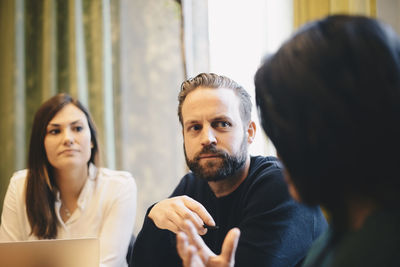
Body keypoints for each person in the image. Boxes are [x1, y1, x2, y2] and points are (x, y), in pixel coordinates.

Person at [177, 15, 400, 267]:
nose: (281, 156)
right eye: (194, 127)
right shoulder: (343, 231)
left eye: (288, 133)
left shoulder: (379, 246)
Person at [131, 73, 328, 266]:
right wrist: (154, 217)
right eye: (195, 127)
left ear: (249, 132)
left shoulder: (280, 185)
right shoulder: (190, 187)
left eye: (222, 124)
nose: (207, 138)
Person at [0, 93, 137, 267]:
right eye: (55, 131)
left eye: (77, 128)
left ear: (92, 141)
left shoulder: (120, 186)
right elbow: (8, 262)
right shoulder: (19, 186)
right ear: (41, 143)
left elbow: (107, 264)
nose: (68, 139)